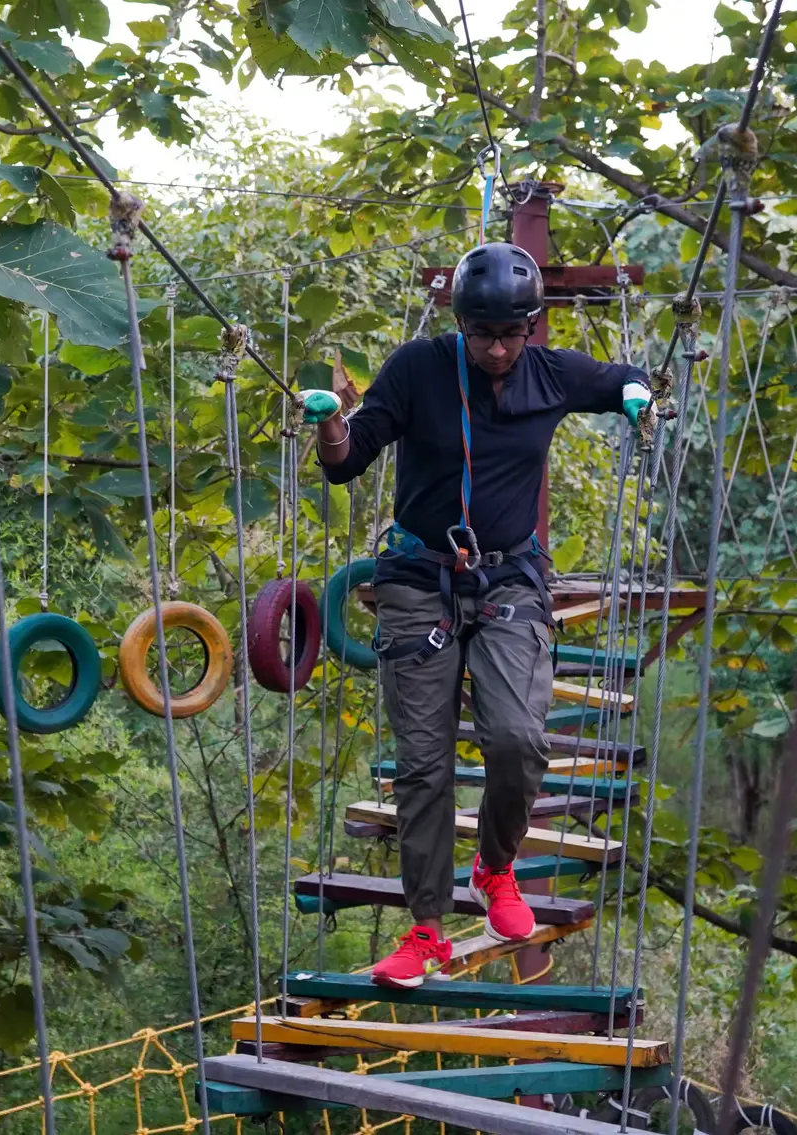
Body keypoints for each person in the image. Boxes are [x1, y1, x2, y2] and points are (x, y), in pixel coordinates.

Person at [300, 241, 653, 988]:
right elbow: (346, 458)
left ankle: (495, 867)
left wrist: (637, 396)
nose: (496, 349)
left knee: (519, 739)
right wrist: (330, 420)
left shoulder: (552, 372)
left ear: (531, 328)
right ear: (461, 323)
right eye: (482, 334)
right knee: (423, 767)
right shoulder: (418, 368)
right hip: (418, 579)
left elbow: (622, 377)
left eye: (510, 334)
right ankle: (425, 928)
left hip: (511, 581)